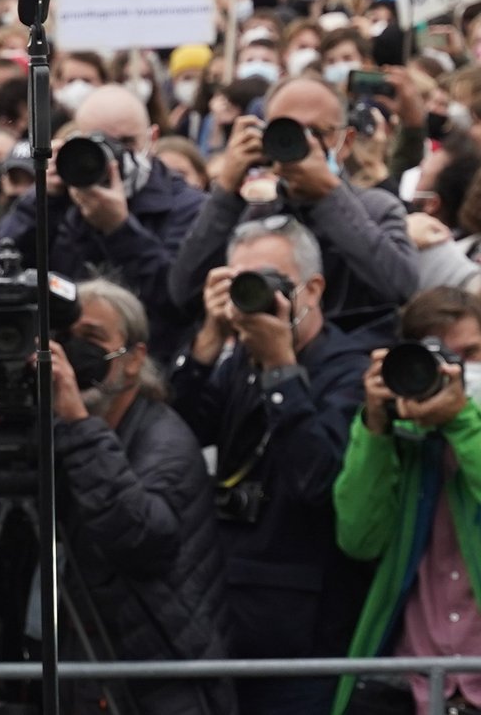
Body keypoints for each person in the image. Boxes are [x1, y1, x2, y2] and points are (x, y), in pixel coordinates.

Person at [172, 215, 392, 713]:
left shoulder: (350, 370)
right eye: (239, 281)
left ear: (312, 289)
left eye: (269, 281)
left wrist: (280, 369)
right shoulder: (238, 362)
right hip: (228, 618)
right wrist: (205, 345)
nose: (253, 296)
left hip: (305, 633)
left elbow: (321, 482)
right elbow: (178, 437)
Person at [47, 280, 232, 715]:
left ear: (133, 360)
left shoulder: (165, 440)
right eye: (65, 339)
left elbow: (141, 539)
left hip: (157, 679)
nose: (75, 355)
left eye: (92, 339)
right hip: (88, 666)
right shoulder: (59, 429)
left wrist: (76, 421)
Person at [333, 288, 481, 715]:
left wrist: (461, 423)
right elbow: (358, 538)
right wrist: (374, 429)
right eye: (435, 362)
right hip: (410, 685)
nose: (451, 373)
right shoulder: (403, 441)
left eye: (469, 355)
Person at [0, 84, 207, 359]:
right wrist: (41, 202)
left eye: (126, 144)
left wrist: (120, 230)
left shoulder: (189, 207)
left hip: (147, 364)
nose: (113, 158)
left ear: (152, 139)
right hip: (58, 360)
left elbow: (179, 303)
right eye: (98, 143)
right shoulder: (57, 200)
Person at [173, 75, 418, 328]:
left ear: (346, 142)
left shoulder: (377, 208)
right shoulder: (254, 215)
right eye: (287, 129)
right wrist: (226, 191)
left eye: (315, 132)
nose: (304, 143)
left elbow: (401, 287)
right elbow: (184, 291)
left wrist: (329, 197)